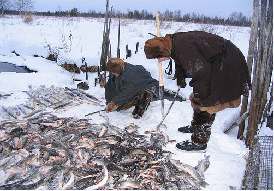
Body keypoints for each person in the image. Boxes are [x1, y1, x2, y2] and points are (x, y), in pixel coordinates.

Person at [144, 31, 251, 151]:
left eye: (158, 57)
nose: (159, 60)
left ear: (162, 51)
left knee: (207, 102)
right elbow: (180, 59)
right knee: (200, 97)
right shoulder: (173, 43)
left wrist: (200, 94)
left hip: (224, 63)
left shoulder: (183, 47)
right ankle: (196, 126)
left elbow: (201, 72)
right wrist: (180, 76)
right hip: (217, 61)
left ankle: (199, 141)